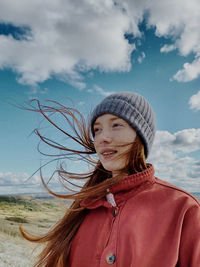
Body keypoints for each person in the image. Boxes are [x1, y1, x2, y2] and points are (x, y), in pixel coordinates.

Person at [21, 92, 200, 267]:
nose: (102, 138)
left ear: (140, 135)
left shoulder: (183, 208)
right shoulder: (84, 208)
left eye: (116, 125)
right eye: (97, 130)